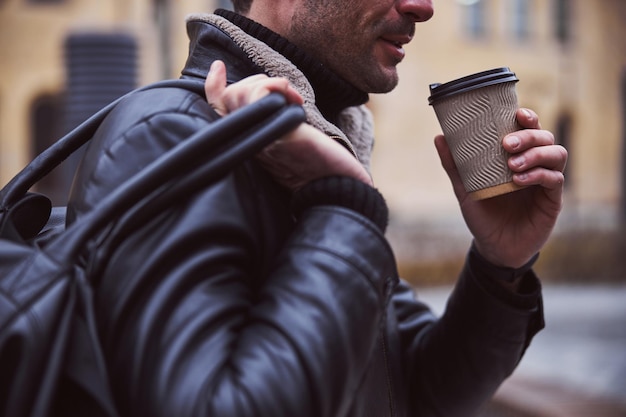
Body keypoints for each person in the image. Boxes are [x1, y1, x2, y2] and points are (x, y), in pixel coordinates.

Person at [66, 0, 568, 415]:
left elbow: (414, 390)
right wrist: (342, 204)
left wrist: (501, 265)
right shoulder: (170, 141)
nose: (424, 7)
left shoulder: (317, 145)